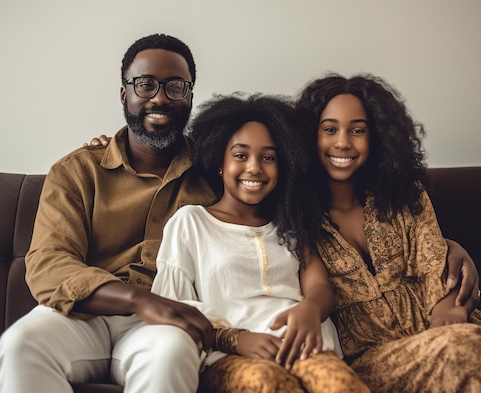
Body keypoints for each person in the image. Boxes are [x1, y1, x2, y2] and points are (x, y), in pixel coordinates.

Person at [0, 34, 218, 392]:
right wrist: (137, 298)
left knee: (171, 355)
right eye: (145, 84)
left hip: (166, 325)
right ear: (123, 94)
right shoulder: (77, 171)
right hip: (83, 316)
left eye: (176, 86)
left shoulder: (217, 176)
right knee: (21, 345)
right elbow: (48, 263)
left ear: (190, 96)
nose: (160, 97)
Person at [294, 72, 481, 392]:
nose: (343, 142)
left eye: (357, 130)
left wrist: (447, 320)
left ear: (377, 137)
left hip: (458, 333)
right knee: (466, 351)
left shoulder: (403, 195)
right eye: (330, 129)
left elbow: (434, 265)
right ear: (307, 136)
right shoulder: (297, 217)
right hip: (377, 361)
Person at [150, 93, 370, 393]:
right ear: (219, 162)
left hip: (303, 347)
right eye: (241, 155)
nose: (255, 167)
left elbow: (319, 287)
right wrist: (234, 339)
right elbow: (170, 311)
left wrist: (310, 309)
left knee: (339, 384)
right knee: (268, 384)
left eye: (268, 157)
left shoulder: (290, 225)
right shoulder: (191, 223)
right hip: (229, 356)